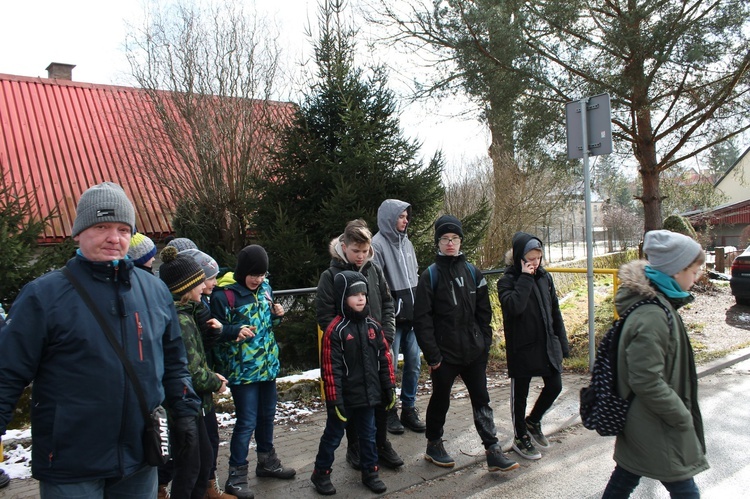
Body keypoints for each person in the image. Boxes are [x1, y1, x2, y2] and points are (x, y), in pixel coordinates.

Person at [0, 181, 201, 498]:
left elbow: (175, 362)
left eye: (123, 229)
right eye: (102, 226)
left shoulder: (155, 291)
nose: (114, 237)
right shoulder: (44, 296)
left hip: (139, 458)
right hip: (70, 464)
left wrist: (186, 412)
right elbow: (6, 372)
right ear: (78, 232)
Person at [602, 230, 709, 498]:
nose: (696, 278)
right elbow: (646, 379)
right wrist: (680, 415)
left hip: (646, 420)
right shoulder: (653, 315)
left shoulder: (657, 306)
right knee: (684, 486)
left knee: (624, 478)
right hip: (656, 422)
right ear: (676, 270)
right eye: (694, 271)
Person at [413, 215, 519, 472]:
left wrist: (484, 343)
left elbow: (485, 312)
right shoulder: (430, 276)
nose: (450, 243)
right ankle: (434, 444)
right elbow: (421, 320)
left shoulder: (473, 272)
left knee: (482, 399)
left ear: (461, 241)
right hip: (444, 355)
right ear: (438, 242)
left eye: (455, 238)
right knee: (440, 399)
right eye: (445, 239)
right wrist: (434, 356)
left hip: (473, 352)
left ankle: (493, 449)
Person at [316, 219, 402, 470]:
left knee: (381, 394)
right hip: (349, 352)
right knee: (354, 400)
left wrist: (386, 335)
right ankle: (355, 447)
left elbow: (387, 302)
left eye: (365, 252)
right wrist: (347, 340)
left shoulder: (373, 269)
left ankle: (381, 443)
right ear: (344, 247)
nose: (361, 256)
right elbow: (324, 316)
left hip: (377, 346)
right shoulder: (330, 276)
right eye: (356, 251)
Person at [210, 245, 296, 499]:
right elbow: (213, 334)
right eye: (253, 274)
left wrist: (278, 315)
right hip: (242, 371)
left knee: (267, 416)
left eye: (262, 274)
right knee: (247, 421)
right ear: (242, 271)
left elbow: (268, 325)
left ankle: (267, 462)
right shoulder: (224, 296)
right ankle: (236, 476)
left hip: (267, 367)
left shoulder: (265, 289)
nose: (258, 279)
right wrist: (231, 331)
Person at [311, 271, 397, 495]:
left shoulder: (373, 327)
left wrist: (388, 388)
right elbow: (331, 370)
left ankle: (371, 472)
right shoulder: (336, 331)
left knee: (368, 435)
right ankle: (321, 473)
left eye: (363, 293)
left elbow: (384, 360)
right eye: (354, 294)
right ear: (342, 297)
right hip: (344, 398)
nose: (360, 298)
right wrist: (335, 400)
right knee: (333, 436)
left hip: (368, 396)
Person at [158, 246, 229, 499]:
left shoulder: (185, 313)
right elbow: (192, 371)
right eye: (200, 282)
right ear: (186, 287)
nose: (205, 287)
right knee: (192, 469)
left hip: (190, 403)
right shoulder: (182, 321)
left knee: (201, 460)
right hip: (186, 405)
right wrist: (215, 380)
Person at [497, 232, 569, 460]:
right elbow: (514, 307)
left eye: (538, 258)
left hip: (547, 343)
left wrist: (562, 343)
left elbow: (555, 312)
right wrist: (526, 278)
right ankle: (520, 437)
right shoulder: (506, 281)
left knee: (555, 385)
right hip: (522, 348)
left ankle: (533, 421)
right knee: (520, 396)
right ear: (519, 257)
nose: (535, 263)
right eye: (530, 258)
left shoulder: (545, 278)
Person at [181, 248, 235, 499]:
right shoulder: (184, 316)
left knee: (207, 443)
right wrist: (212, 380)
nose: (212, 282)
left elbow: (201, 348)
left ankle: (208, 487)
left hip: (200, 390)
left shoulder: (197, 307)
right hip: (190, 395)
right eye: (208, 278)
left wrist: (214, 334)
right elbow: (191, 361)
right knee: (192, 456)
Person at [371, 199, 426, 434]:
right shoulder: (377, 245)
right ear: (389, 218)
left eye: (406, 216)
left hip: (412, 318)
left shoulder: (408, 244)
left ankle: (409, 408)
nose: (405, 220)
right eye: (401, 216)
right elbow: (376, 283)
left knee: (414, 363)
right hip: (392, 319)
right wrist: (390, 311)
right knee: (389, 366)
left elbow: (414, 275)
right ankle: (390, 410)